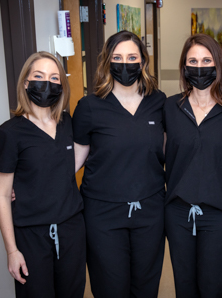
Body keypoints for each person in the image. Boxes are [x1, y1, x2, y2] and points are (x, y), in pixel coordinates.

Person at [72, 30, 166, 298]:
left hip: (149, 211)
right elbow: (74, 161)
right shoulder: (89, 107)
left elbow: (173, 150)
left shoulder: (158, 102)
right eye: (117, 57)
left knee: (146, 287)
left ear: (143, 62)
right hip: (103, 215)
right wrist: (30, 185)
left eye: (132, 57)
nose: (125, 64)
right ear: (107, 62)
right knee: (110, 287)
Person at [0, 51, 86, 298]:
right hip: (31, 237)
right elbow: (2, 195)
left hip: (71, 231)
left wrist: (40, 179)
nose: (47, 83)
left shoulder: (68, 123)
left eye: (55, 78)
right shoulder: (9, 133)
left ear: (61, 85)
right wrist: (12, 251)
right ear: (26, 82)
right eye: (39, 76)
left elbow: (70, 161)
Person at [164, 33, 222, 297]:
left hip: (220, 215)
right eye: (193, 61)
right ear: (184, 67)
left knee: (215, 287)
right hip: (178, 214)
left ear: (219, 64)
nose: (199, 67)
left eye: (207, 60)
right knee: (185, 287)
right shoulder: (170, 107)